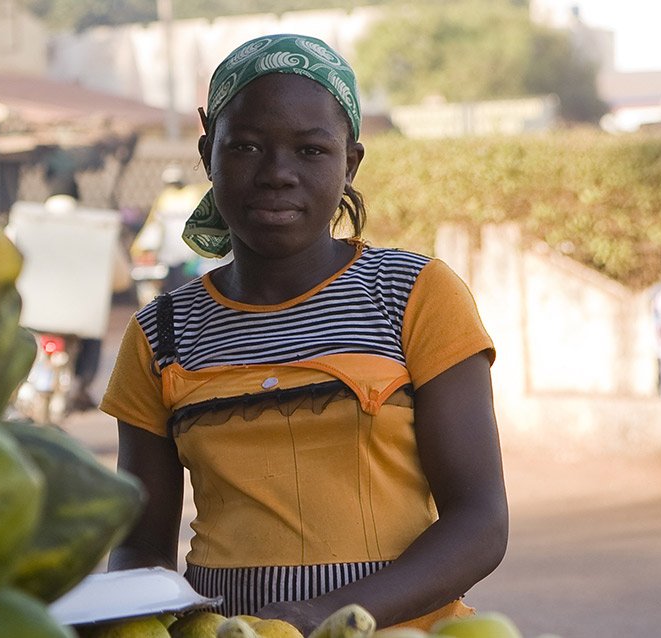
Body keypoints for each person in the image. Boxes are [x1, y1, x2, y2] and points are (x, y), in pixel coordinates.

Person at [99, 34, 507, 634]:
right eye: (246, 146)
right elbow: (140, 548)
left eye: (312, 150)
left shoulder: (413, 294)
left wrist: (322, 617)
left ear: (351, 161)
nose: (277, 174)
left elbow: (479, 522)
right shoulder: (161, 332)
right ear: (208, 150)